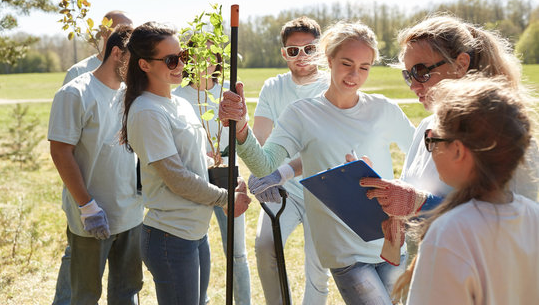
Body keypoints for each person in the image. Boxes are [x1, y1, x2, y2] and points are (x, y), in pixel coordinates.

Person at [220, 21, 416, 305]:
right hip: (344, 251)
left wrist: (402, 193)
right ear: (329, 59)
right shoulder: (301, 114)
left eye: (364, 67)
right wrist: (241, 130)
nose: (354, 75)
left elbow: (420, 158)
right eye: (347, 63)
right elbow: (265, 165)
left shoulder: (384, 109)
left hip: (388, 241)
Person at [360, 15, 539, 253]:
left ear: (460, 64)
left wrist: (421, 205)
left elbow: (511, 222)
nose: (413, 85)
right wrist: (383, 196)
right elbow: (412, 198)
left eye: (421, 71)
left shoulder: (506, 134)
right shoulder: (425, 126)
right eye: (408, 75)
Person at [120, 21, 251, 305]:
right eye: (170, 59)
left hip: (193, 230)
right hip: (170, 237)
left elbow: (192, 160)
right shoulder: (147, 111)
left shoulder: (179, 103)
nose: (180, 64)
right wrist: (225, 198)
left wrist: (224, 175)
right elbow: (176, 177)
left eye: (182, 56)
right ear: (144, 65)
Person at [395, 76, 539, 304]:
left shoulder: (450, 232)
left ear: (459, 151)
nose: (430, 149)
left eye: (433, 140)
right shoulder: (533, 215)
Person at [48, 25, 144, 304]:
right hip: (92, 218)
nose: (140, 66)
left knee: (127, 293)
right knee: (86, 295)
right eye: (134, 58)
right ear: (116, 53)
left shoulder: (131, 95)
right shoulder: (74, 94)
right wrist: (87, 207)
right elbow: (60, 153)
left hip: (130, 214)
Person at [247, 16, 331, 305]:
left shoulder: (333, 87)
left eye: (309, 48)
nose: (302, 56)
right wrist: (258, 170)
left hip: (323, 189)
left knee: (318, 269)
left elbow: (322, 151)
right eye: (293, 51)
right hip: (281, 189)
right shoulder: (273, 87)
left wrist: (278, 172)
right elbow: (260, 137)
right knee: (265, 246)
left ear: (320, 49)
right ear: (284, 54)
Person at [172, 42, 252, 305]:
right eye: (196, 56)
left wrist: (223, 154)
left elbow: (242, 135)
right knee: (195, 245)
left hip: (227, 177)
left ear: (219, 61)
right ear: (187, 61)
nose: (204, 62)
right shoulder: (178, 97)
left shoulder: (228, 94)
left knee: (237, 253)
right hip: (195, 180)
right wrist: (201, 156)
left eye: (210, 56)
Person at [62, 10, 133, 85]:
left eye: (131, 31)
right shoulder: (77, 72)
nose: (129, 36)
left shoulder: (136, 72)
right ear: (103, 32)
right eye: (122, 30)